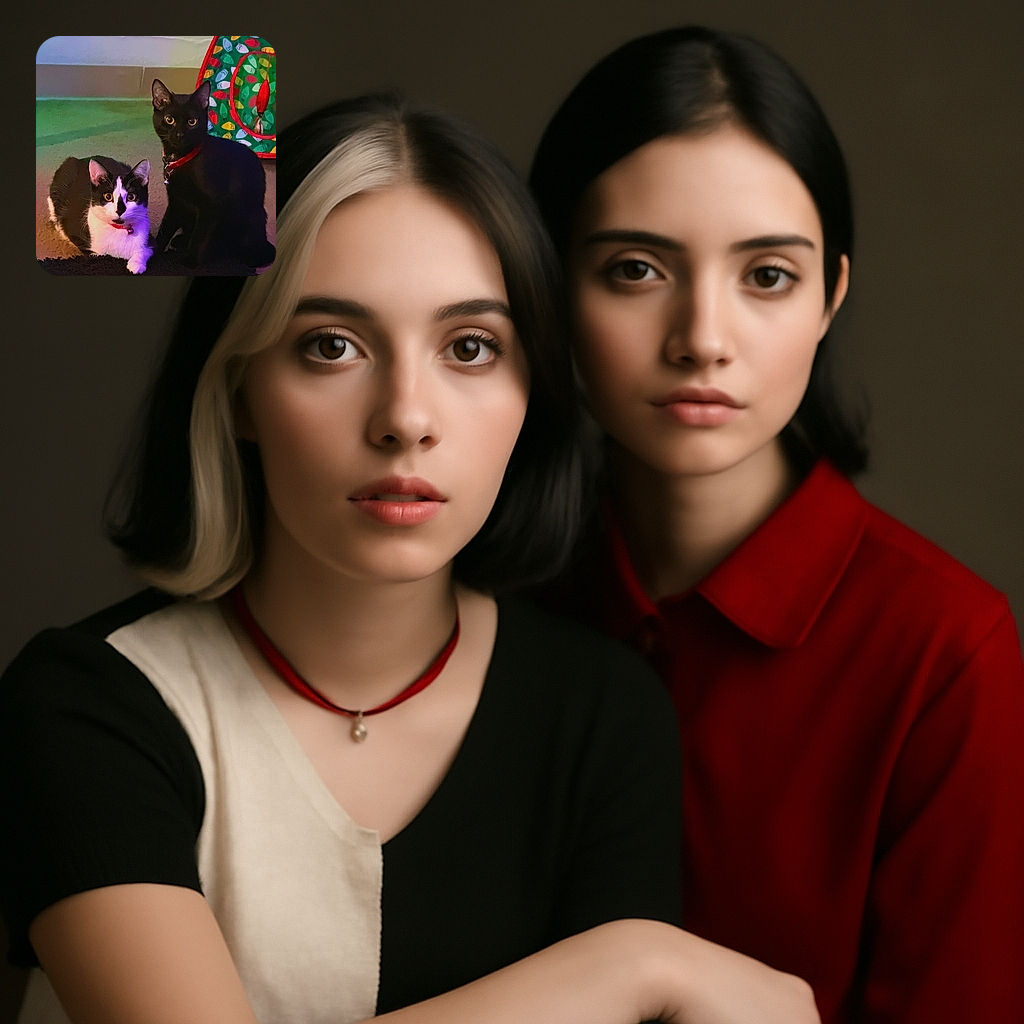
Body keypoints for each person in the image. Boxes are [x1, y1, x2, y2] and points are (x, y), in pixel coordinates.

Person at [0, 94, 821, 1024]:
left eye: (470, 347)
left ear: (531, 395)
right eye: (331, 346)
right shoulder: (84, 706)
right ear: (236, 391)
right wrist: (633, 968)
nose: (406, 417)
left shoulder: (602, 715)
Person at [529, 25, 1024, 1024]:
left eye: (766, 276)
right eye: (635, 268)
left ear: (830, 295)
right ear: (546, 287)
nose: (702, 340)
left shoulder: (941, 650)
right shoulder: (484, 595)